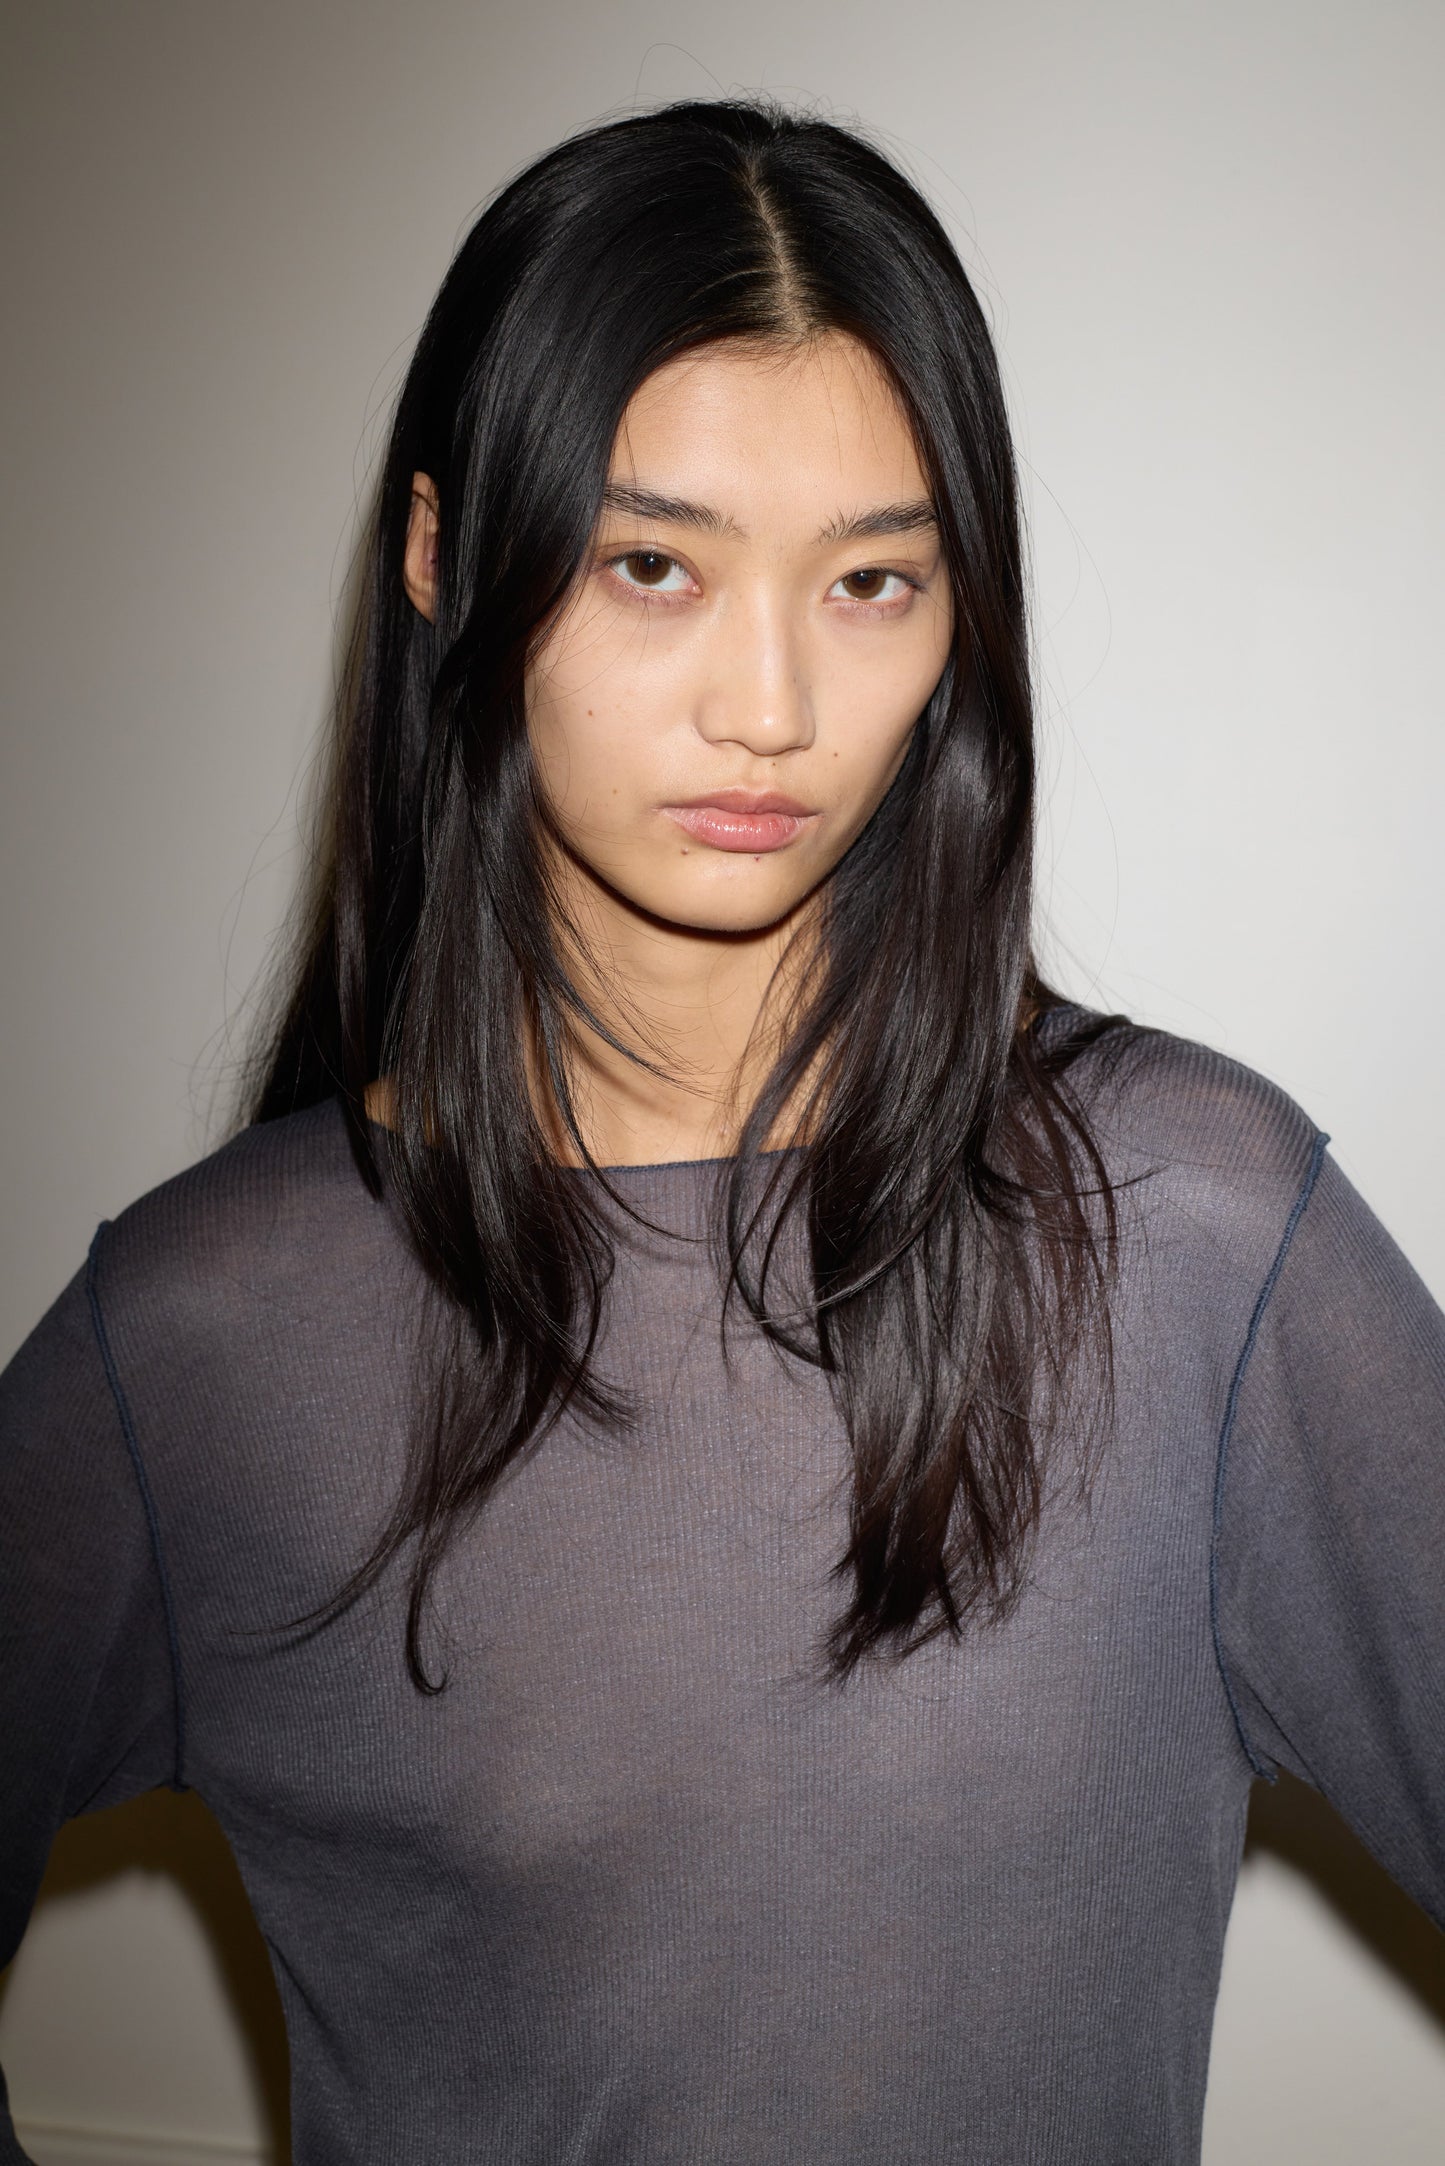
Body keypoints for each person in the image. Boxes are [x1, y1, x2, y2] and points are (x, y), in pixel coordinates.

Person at [1, 95, 1441, 2166]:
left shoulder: (1196, 1234)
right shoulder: (209, 1333)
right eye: (652, 564)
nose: (767, 703)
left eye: (871, 583)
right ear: (441, 555)